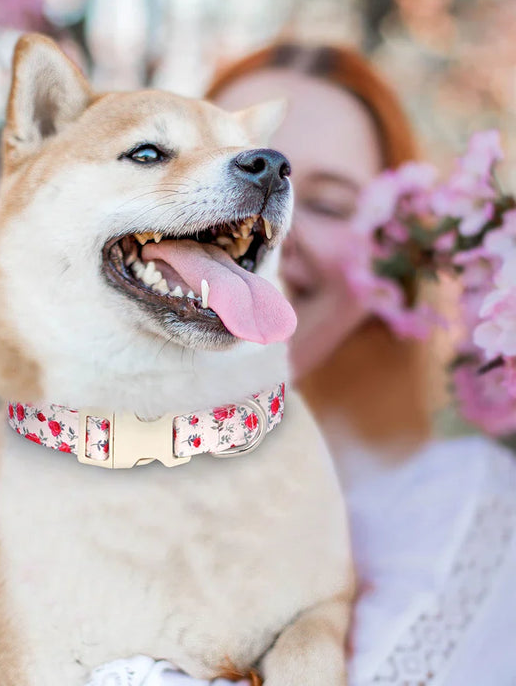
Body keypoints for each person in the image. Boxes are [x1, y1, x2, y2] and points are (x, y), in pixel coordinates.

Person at [85, 43, 516, 685]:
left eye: (332, 204)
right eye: (226, 168)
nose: (267, 225)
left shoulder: (472, 522)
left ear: (394, 272)